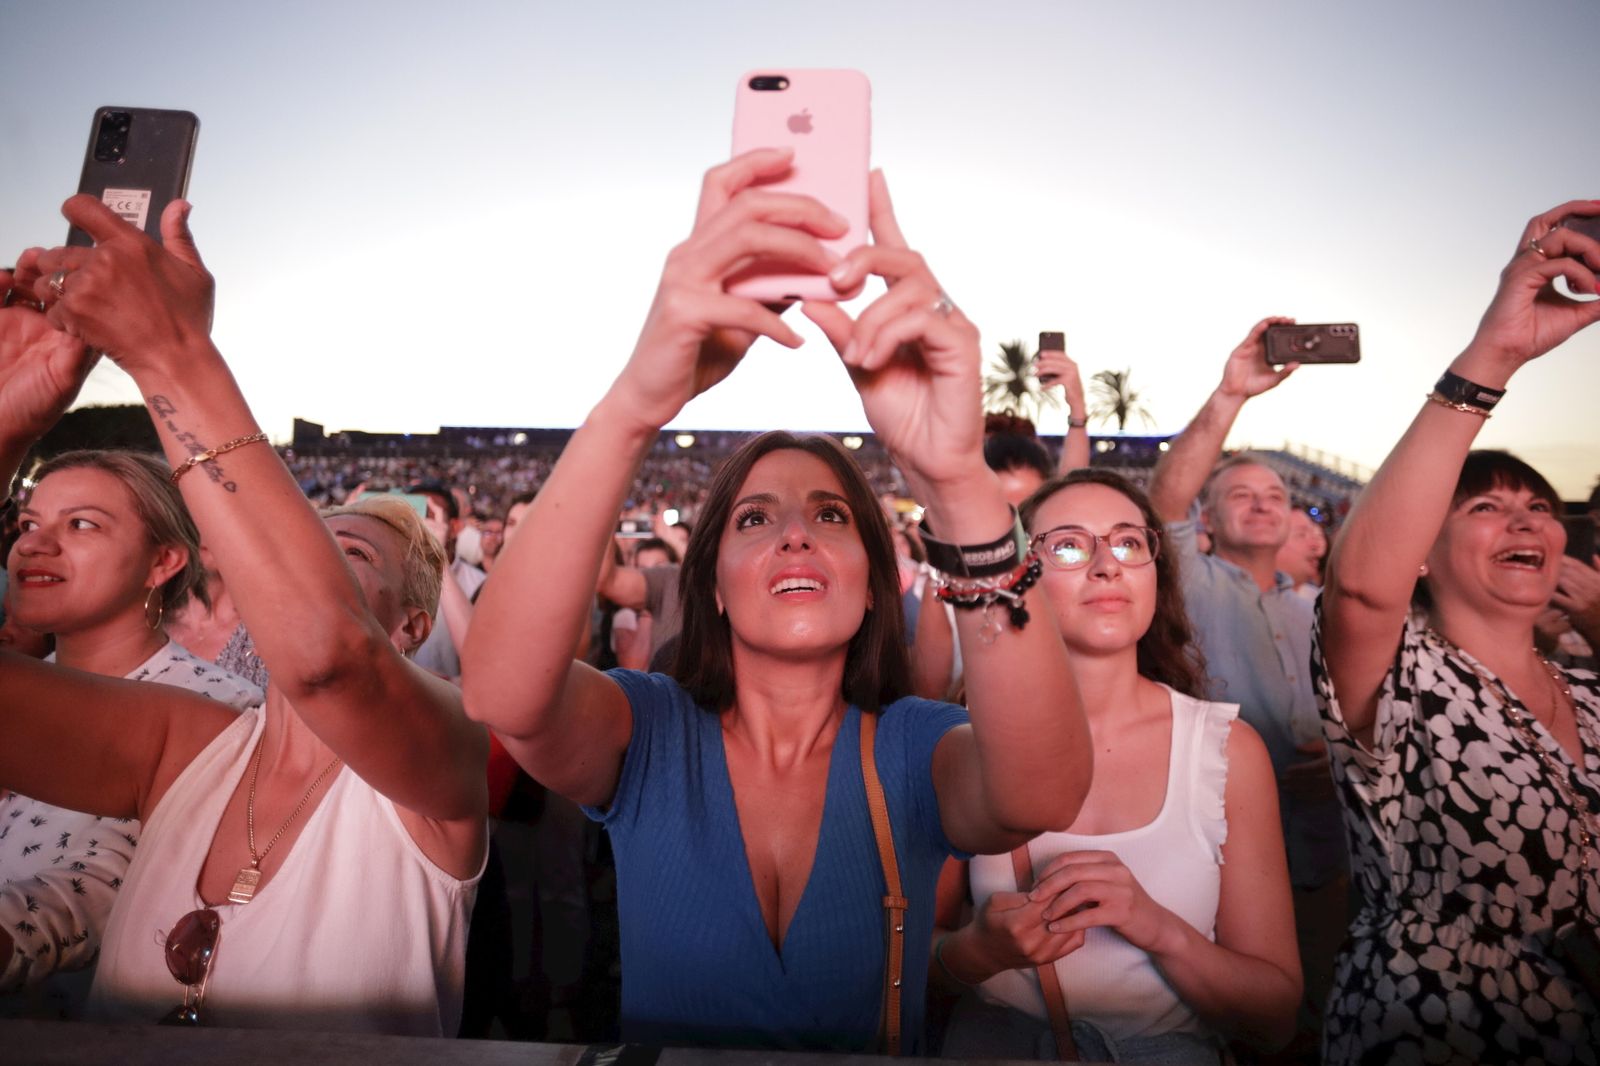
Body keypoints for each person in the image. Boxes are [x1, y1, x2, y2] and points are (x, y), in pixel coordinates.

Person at [463, 151, 1092, 1053]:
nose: (796, 533)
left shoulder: (915, 747)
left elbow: (1043, 789)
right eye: (755, 518)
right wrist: (642, 399)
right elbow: (501, 694)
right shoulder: (647, 736)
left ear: (874, 582)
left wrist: (956, 478)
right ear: (711, 585)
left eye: (830, 514)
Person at [0, 195, 489, 1035]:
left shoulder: (443, 761)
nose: (306, 561)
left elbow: (332, 658)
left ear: (411, 626)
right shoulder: (185, 746)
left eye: (353, 555)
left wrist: (170, 352)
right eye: (307, 539)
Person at [1316, 202, 1600, 1064]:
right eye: (1486, 505)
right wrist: (1498, 353)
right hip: (1438, 1032)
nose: (1525, 521)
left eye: (1539, 508)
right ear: (1424, 554)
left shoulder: (1588, 694)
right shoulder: (1404, 680)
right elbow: (1363, 586)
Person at [934, 469, 1300, 1063]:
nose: (1108, 565)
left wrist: (1155, 926)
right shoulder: (960, 741)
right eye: (1070, 546)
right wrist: (977, 951)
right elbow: (896, 971)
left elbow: (1275, 1014)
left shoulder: (1227, 750)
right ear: (1021, 580)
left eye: (1129, 542)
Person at [1146, 323, 1348, 1053]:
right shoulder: (1192, 584)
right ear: (1208, 519)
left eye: (1275, 494)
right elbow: (1165, 497)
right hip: (1220, 867)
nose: (1263, 504)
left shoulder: (1316, 609)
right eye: (1241, 494)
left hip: (1328, 858)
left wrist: (1337, 756)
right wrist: (1232, 394)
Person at [1, 449, 261, 1014]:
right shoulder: (20, 689)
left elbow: (94, 893)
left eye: (82, 524)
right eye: (27, 523)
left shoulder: (221, 709)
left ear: (162, 561)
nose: (33, 544)